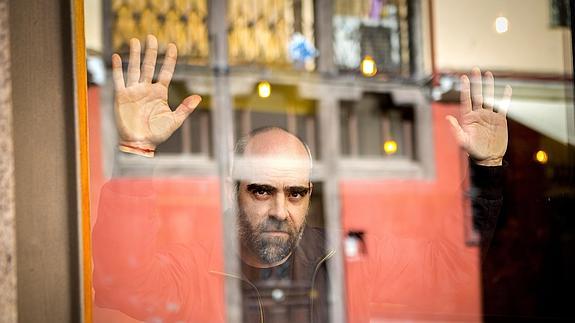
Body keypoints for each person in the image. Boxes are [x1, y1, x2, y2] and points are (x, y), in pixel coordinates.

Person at [93, 35, 511, 322]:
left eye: (295, 193)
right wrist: (135, 151)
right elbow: (123, 283)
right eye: (261, 190)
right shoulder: (199, 265)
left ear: (309, 194)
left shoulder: (346, 257)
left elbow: (451, 268)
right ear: (233, 191)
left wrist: (487, 169)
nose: (280, 211)